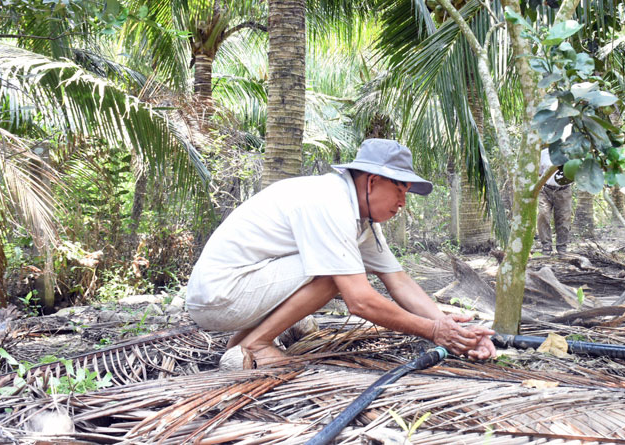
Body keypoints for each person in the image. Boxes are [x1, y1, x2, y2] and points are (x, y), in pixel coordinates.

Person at [186, 138, 496, 367]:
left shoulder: (359, 219)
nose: (403, 202)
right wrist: (434, 330)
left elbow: (398, 281)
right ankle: (258, 344)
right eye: (400, 190)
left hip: (236, 292)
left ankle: (239, 349)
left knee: (339, 268)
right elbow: (359, 301)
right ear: (372, 182)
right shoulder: (329, 200)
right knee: (338, 275)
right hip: (222, 296)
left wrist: (454, 330)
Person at [538, 148, 573, 255]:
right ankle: (546, 246)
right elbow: (539, 173)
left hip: (564, 190)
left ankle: (562, 248)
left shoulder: (569, 152)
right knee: (543, 215)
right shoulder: (544, 153)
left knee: (564, 218)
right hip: (546, 190)